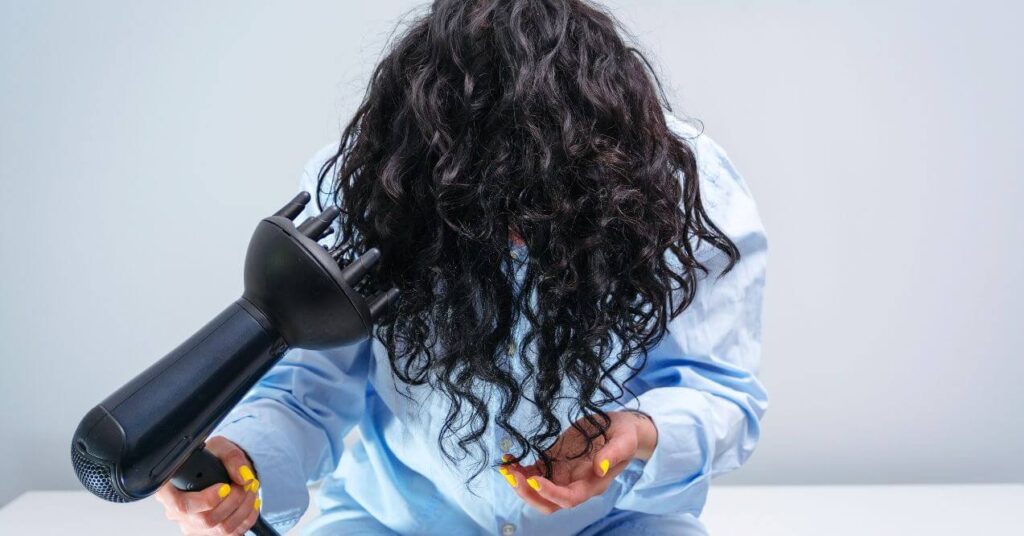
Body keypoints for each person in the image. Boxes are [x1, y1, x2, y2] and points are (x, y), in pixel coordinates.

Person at [156, 0, 768, 534]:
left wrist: (634, 431)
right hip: (391, 521)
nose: (514, 236)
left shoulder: (687, 191)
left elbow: (720, 393)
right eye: (482, 202)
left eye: (543, 200)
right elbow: (305, 393)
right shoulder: (371, 183)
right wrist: (243, 457)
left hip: (618, 523)